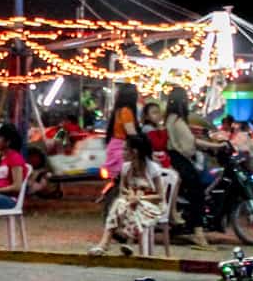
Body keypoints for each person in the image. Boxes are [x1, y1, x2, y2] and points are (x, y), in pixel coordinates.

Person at [91, 134, 165, 256]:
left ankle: (129, 240)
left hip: (153, 205)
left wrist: (139, 198)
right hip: (131, 202)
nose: (122, 152)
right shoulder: (126, 168)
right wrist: (130, 195)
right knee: (119, 203)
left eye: (125, 149)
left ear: (134, 152)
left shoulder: (153, 169)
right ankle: (105, 243)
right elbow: (122, 190)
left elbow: (160, 196)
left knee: (135, 207)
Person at [161, 90, 212, 248]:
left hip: (176, 157)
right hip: (178, 158)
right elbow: (190, 143)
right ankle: (198, 233)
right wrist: (215, 145)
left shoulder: (172, 119)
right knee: (198, 191)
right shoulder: (176, 120)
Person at [103, 83, 141, 179]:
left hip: (116, 146)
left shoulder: (119, 110)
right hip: (121, 148)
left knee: (119, 181)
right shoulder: (126, 111)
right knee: (124, 181)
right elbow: (131, 133)